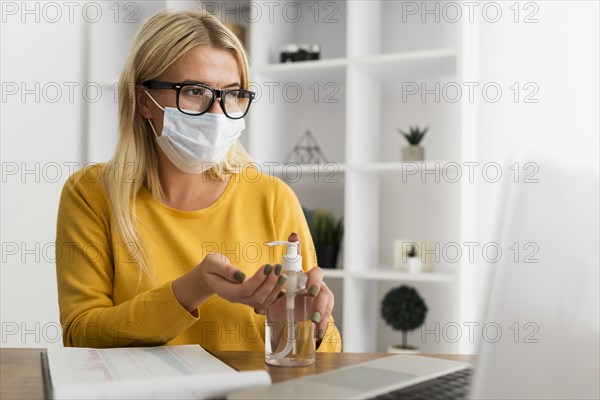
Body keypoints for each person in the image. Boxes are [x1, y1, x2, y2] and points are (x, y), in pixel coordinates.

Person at [55, 10, 341, 352]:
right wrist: (190, 289)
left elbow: (330, 349)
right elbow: (81, 334)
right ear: (144, 100)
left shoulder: (273, 198)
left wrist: (297, 326)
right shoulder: (91, 193)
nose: (217, 114)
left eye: (233, 94)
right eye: (194, 91)